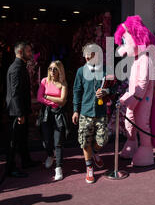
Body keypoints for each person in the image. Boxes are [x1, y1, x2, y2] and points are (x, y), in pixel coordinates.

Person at [72, 44, 110, 184]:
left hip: (100, 112)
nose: (87, 57)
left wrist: (106, 92)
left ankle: (95, 151)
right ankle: (89, 168)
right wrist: (75, 110)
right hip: (85, 113)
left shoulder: (106, 70)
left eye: (90, 54)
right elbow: (76, 91)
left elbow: (114, 87)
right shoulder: (80, 71)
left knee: (102, 140)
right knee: (84, 141)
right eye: (86, 54)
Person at [5, 41, 39, 178]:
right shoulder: (16, 68)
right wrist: (19, 113)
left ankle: (26, 161)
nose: (31, 54)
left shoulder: (21, 67)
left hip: (21, 109)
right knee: (14, 140)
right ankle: (11, 167)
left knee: (23, 137)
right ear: (20, 52)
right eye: (29, 51)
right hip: (16, 111)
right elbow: (14, 92)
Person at [37, 60, 68, 181]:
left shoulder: (63, 83)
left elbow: (63, 101)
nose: (52, 71)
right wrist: (54, 101)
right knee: (46, 140)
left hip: (58, 115)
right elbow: (39, 97)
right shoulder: (44, 81)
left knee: (58, 142)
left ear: (60, 70)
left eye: (55, 69)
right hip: (46, 113)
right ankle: (50, 155)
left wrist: (48, 97)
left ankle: (58, 168)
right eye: (50, 68)